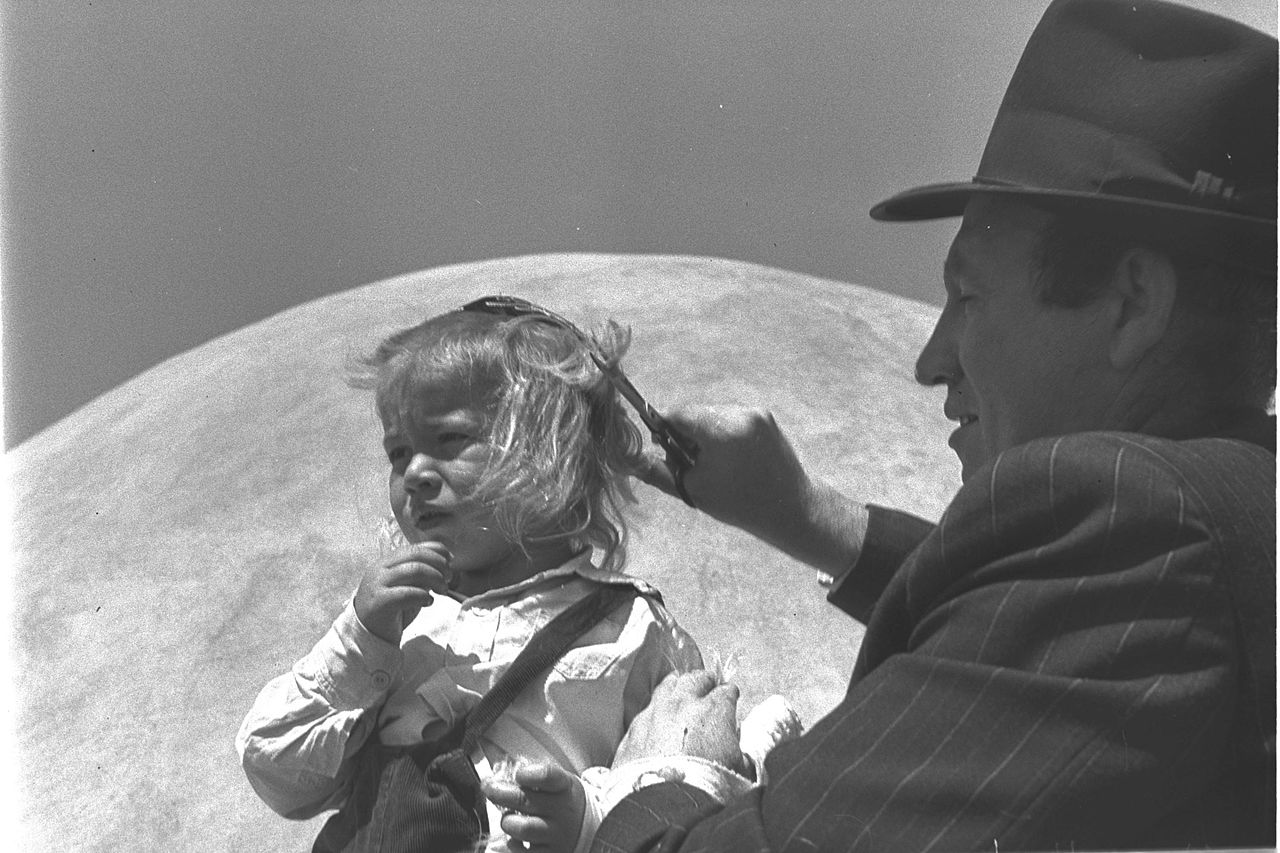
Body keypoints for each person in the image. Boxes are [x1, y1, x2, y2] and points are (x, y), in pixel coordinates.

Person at [483, 0, 1277, 849]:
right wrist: (794, 511)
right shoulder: (1222, 510)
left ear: (1132, 303)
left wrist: (663, 775)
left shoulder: (1143, 531)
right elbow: (1029, 602)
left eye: (967, 294)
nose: (930, 360)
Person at [235, 298, 707, 852]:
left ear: (549, 450)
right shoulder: (400, 626)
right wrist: (359, 642)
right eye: (398, 451)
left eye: (450, 440)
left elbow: (690, 783)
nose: (413, 474)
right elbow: (279, 774)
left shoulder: (633, 626)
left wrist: (587, 819)